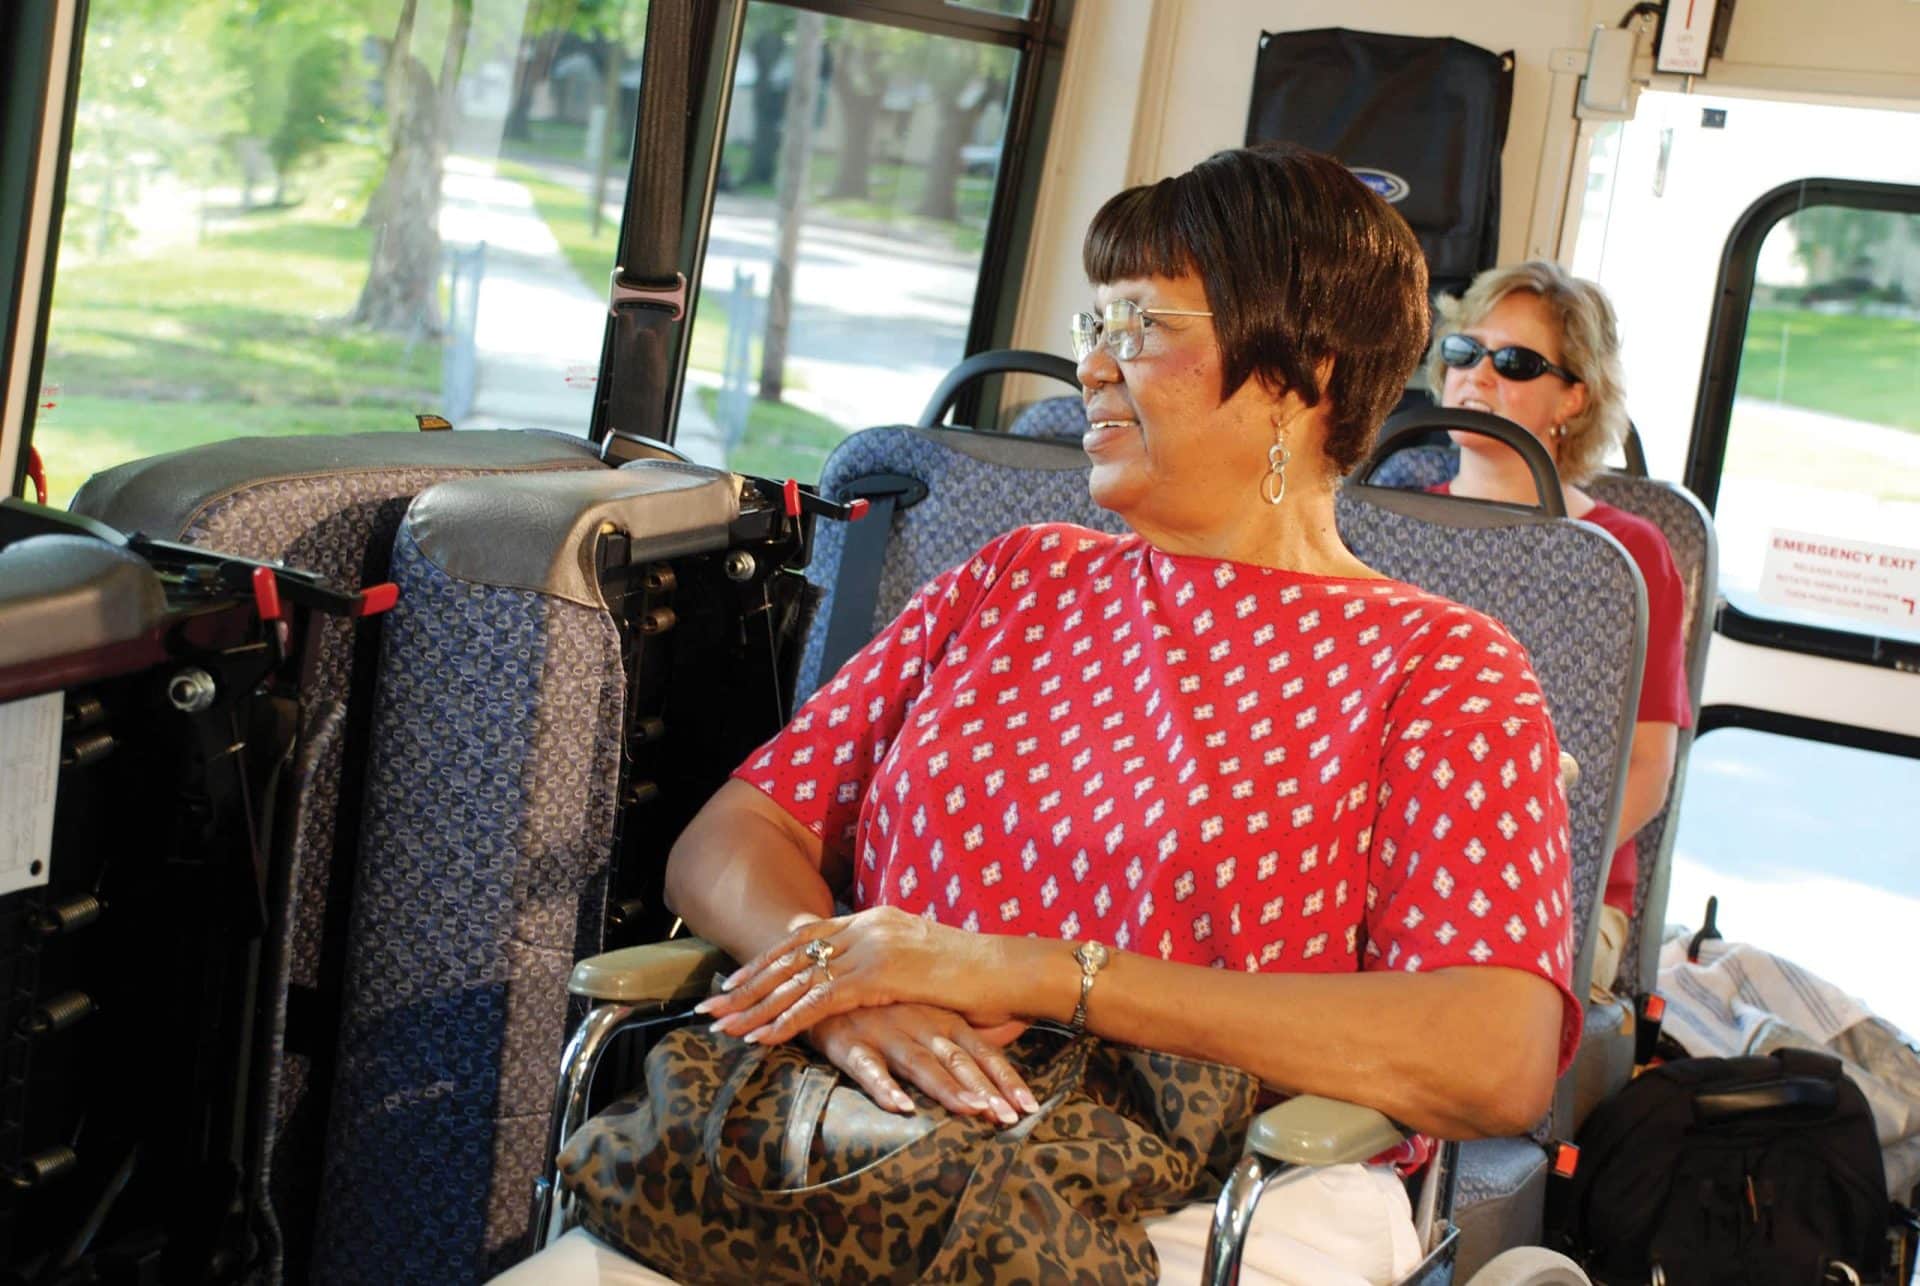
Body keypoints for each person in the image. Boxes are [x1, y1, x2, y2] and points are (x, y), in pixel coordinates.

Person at [503, 146, 1580, 1285]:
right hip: (869, 1130)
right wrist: (835, 990)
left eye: (1145, 325)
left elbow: (1493, 1054)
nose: (1093, 367)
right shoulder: (1018, 578)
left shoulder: (1443, 666)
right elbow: (735, 835)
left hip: (1216, 1188)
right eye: (1095, 321)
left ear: (1299, 375)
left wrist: (1029, 972)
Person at [1427, 261, 1693, 998]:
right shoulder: (1379, 523)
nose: (1478, 376)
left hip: (1564, 889)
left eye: (1513, 362)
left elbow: (1646, 767)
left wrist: (1519, 873)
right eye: (1464, 352)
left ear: (1573, 397)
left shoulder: (1629, 554)